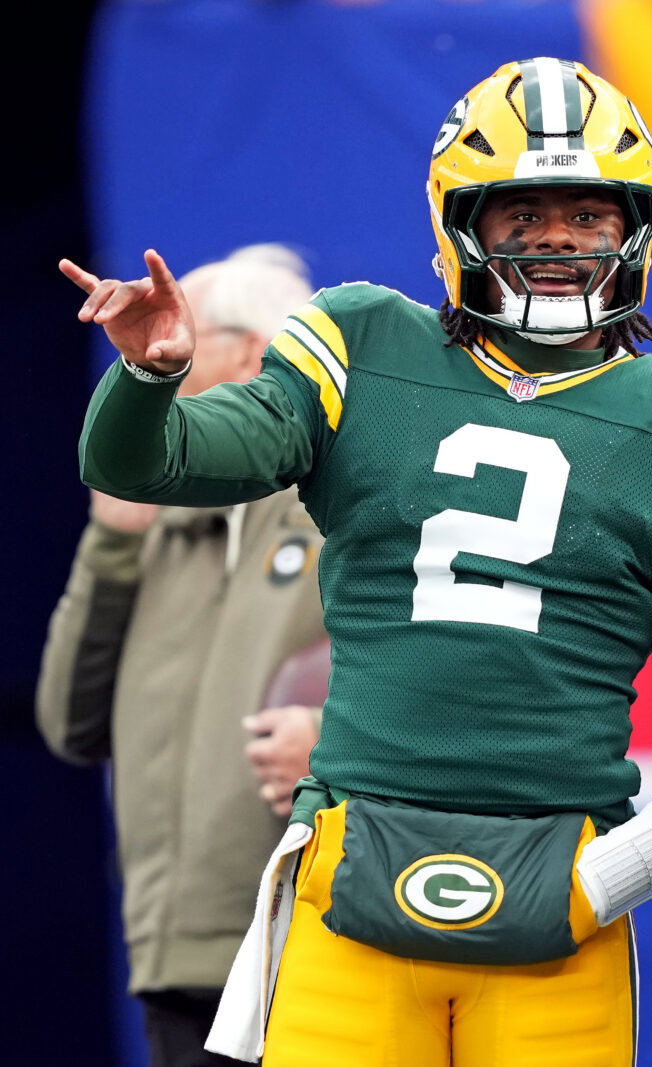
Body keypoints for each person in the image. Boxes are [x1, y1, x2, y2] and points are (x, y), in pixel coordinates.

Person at [64, 57, 652, 1067]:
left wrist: (603, 878)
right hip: (351, 863)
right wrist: (150, 375)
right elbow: (154, 461)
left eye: (588, 215)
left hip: (561, 888)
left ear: (635, 228)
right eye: (523, 212)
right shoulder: (364, 342)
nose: (557, 241)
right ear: (460, 220)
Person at [37, 245, 324, 1067]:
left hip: (315, 950)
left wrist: (333, 740)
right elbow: (68, 723)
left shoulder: (349, 514)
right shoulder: (150, 526)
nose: (151, 362)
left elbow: (447, 681)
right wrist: (111, 546)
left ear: (256, 355)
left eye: (180, 339)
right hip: (175, 965)